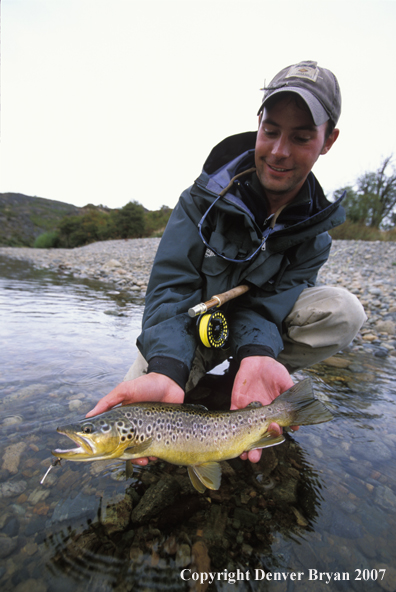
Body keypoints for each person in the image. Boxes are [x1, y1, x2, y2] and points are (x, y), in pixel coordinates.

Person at [87, 60, 366, 465]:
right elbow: (169, 289)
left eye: (302, 137)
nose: (279, 151)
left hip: (253, 337)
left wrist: (256, 351)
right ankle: (189, 379)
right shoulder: (201, 200)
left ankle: (247, 380)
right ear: (258, 123)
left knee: (344, 311)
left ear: (328, 141)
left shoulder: (314, 236)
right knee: (128, 425)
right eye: (270, 131)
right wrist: (166, 367)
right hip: (187, 330)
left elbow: (268, 308)